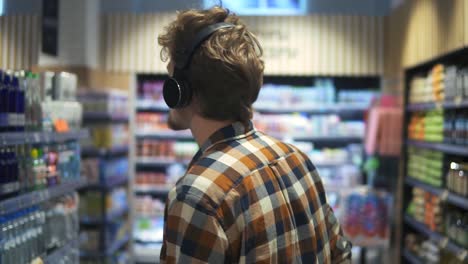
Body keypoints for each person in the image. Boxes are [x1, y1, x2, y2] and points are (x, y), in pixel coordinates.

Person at [158, 6, 352, 263]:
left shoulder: (197, 196)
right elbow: (340, 254)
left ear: (180, 90)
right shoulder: (297, 160)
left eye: (170, 75)